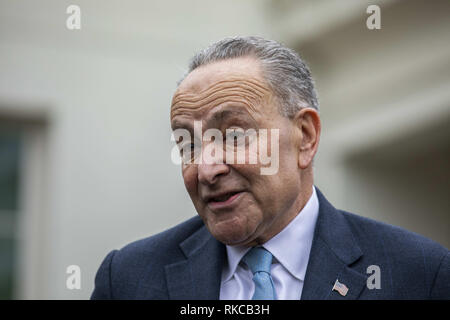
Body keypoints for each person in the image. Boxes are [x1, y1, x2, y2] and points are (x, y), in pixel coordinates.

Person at [91, 36, 449, 300]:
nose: (206, 169)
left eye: (233, 135)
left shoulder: (420, 275)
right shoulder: (127, 280)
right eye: (189, 144)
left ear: (305, 137)